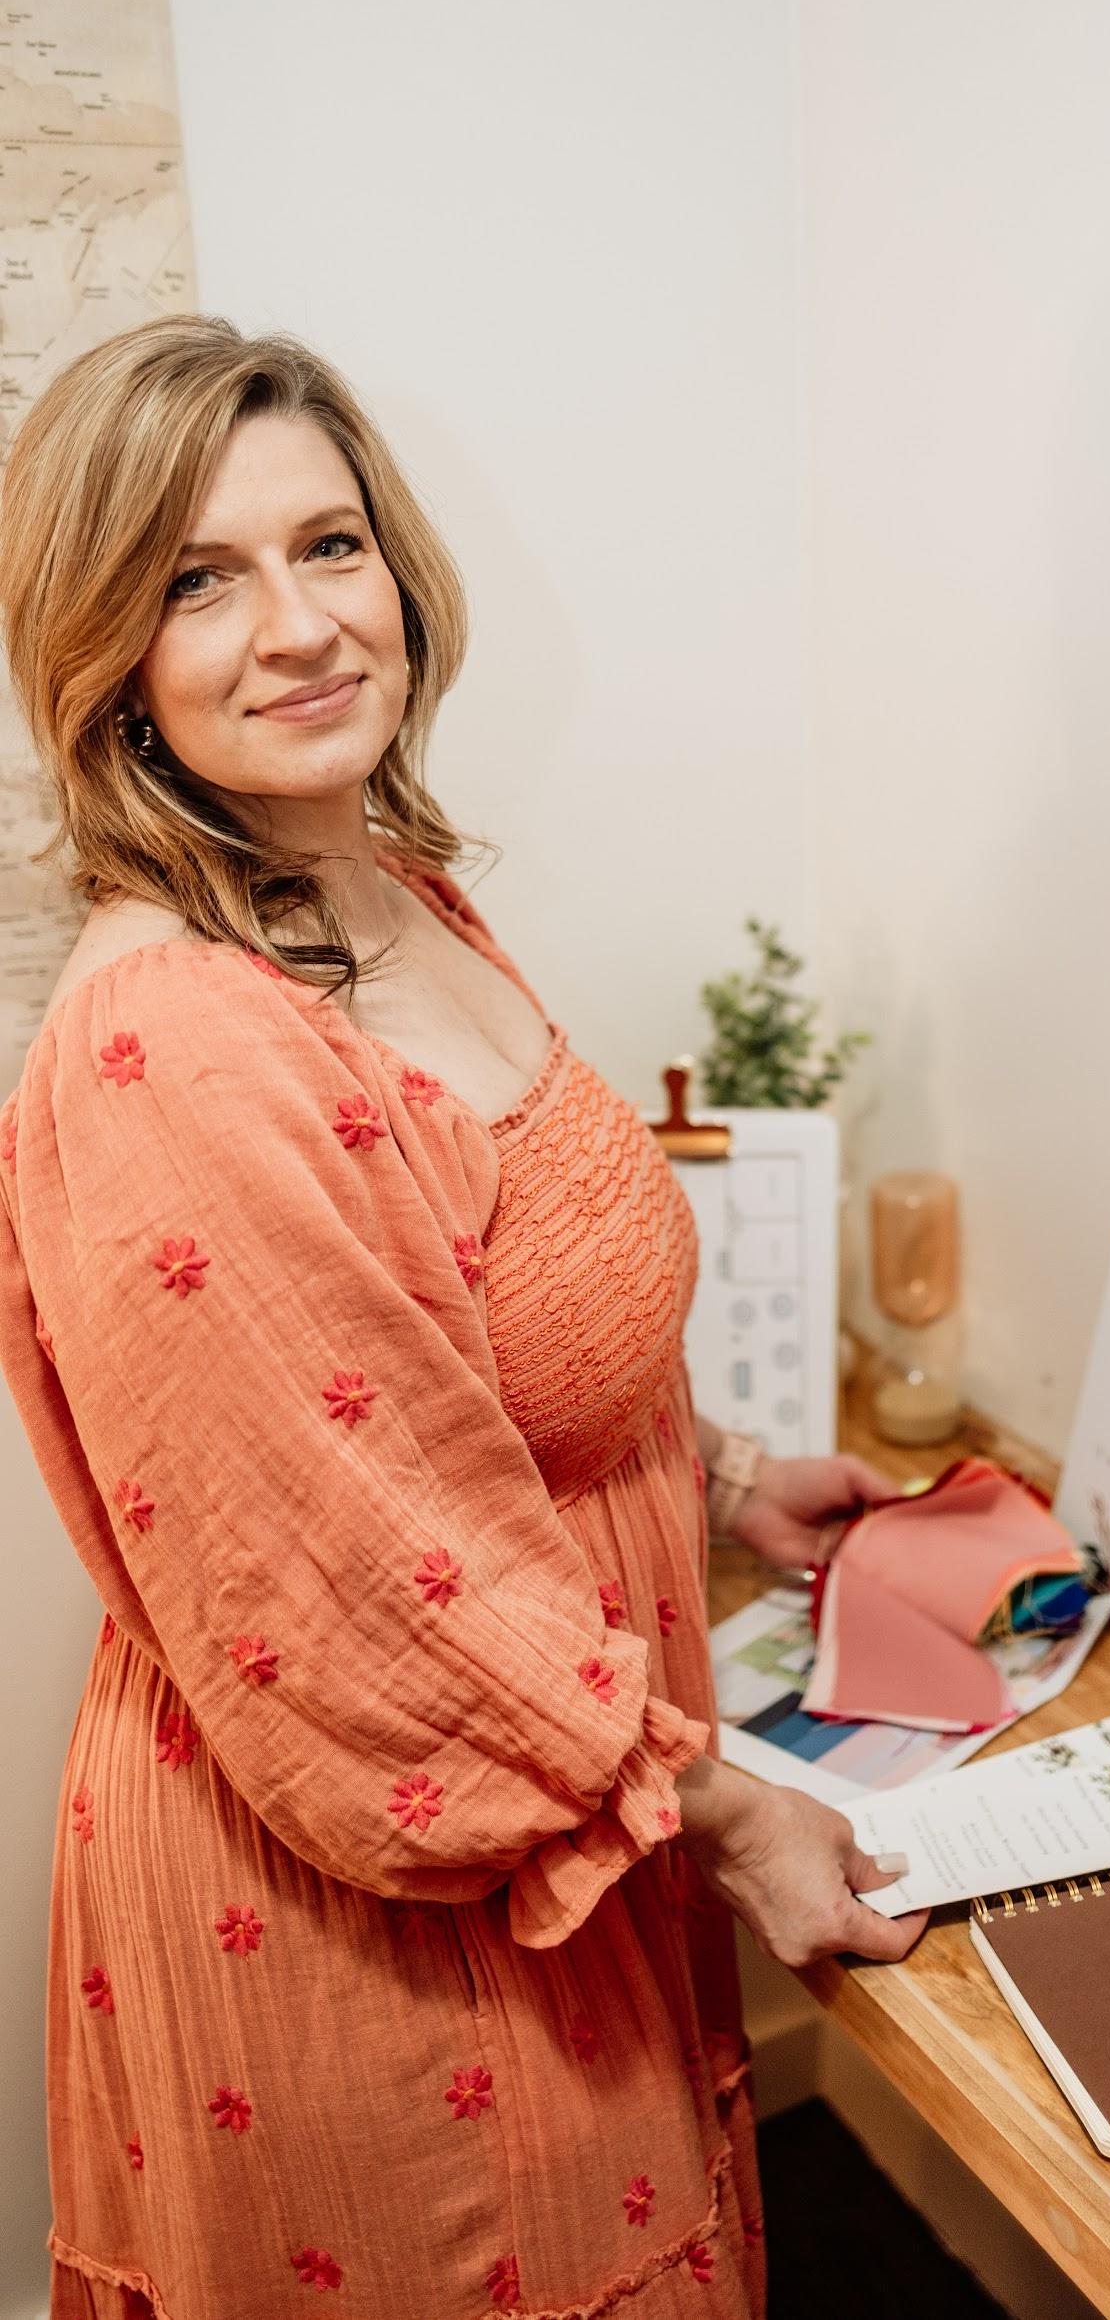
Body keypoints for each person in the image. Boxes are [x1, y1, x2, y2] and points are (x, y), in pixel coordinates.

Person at [0, 316, 928, 2320]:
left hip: (559, 1790)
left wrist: (728, 1480)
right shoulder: (173, 1047)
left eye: (329, 544)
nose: (301, 625)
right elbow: (368, 1587)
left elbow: (474, 1350)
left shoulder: (378, 882)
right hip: (376, 1892)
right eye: (194, 579)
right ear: (105, 659)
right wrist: (740, 1813)